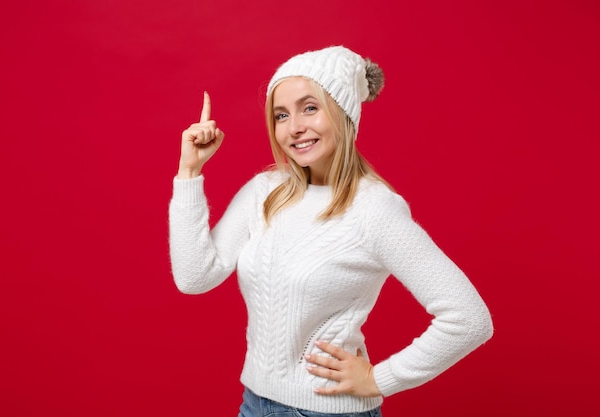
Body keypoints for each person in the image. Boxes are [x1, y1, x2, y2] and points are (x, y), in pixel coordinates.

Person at [169, 45, 493, 417]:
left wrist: (380, 379)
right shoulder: (265, 192)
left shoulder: (374, 209)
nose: (294, 127)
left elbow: (469, 319)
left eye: (310, 108)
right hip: (255, 403)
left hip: (327, 412)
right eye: (280, 114)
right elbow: (195, 277)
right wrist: (189, 173)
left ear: (344, 114)